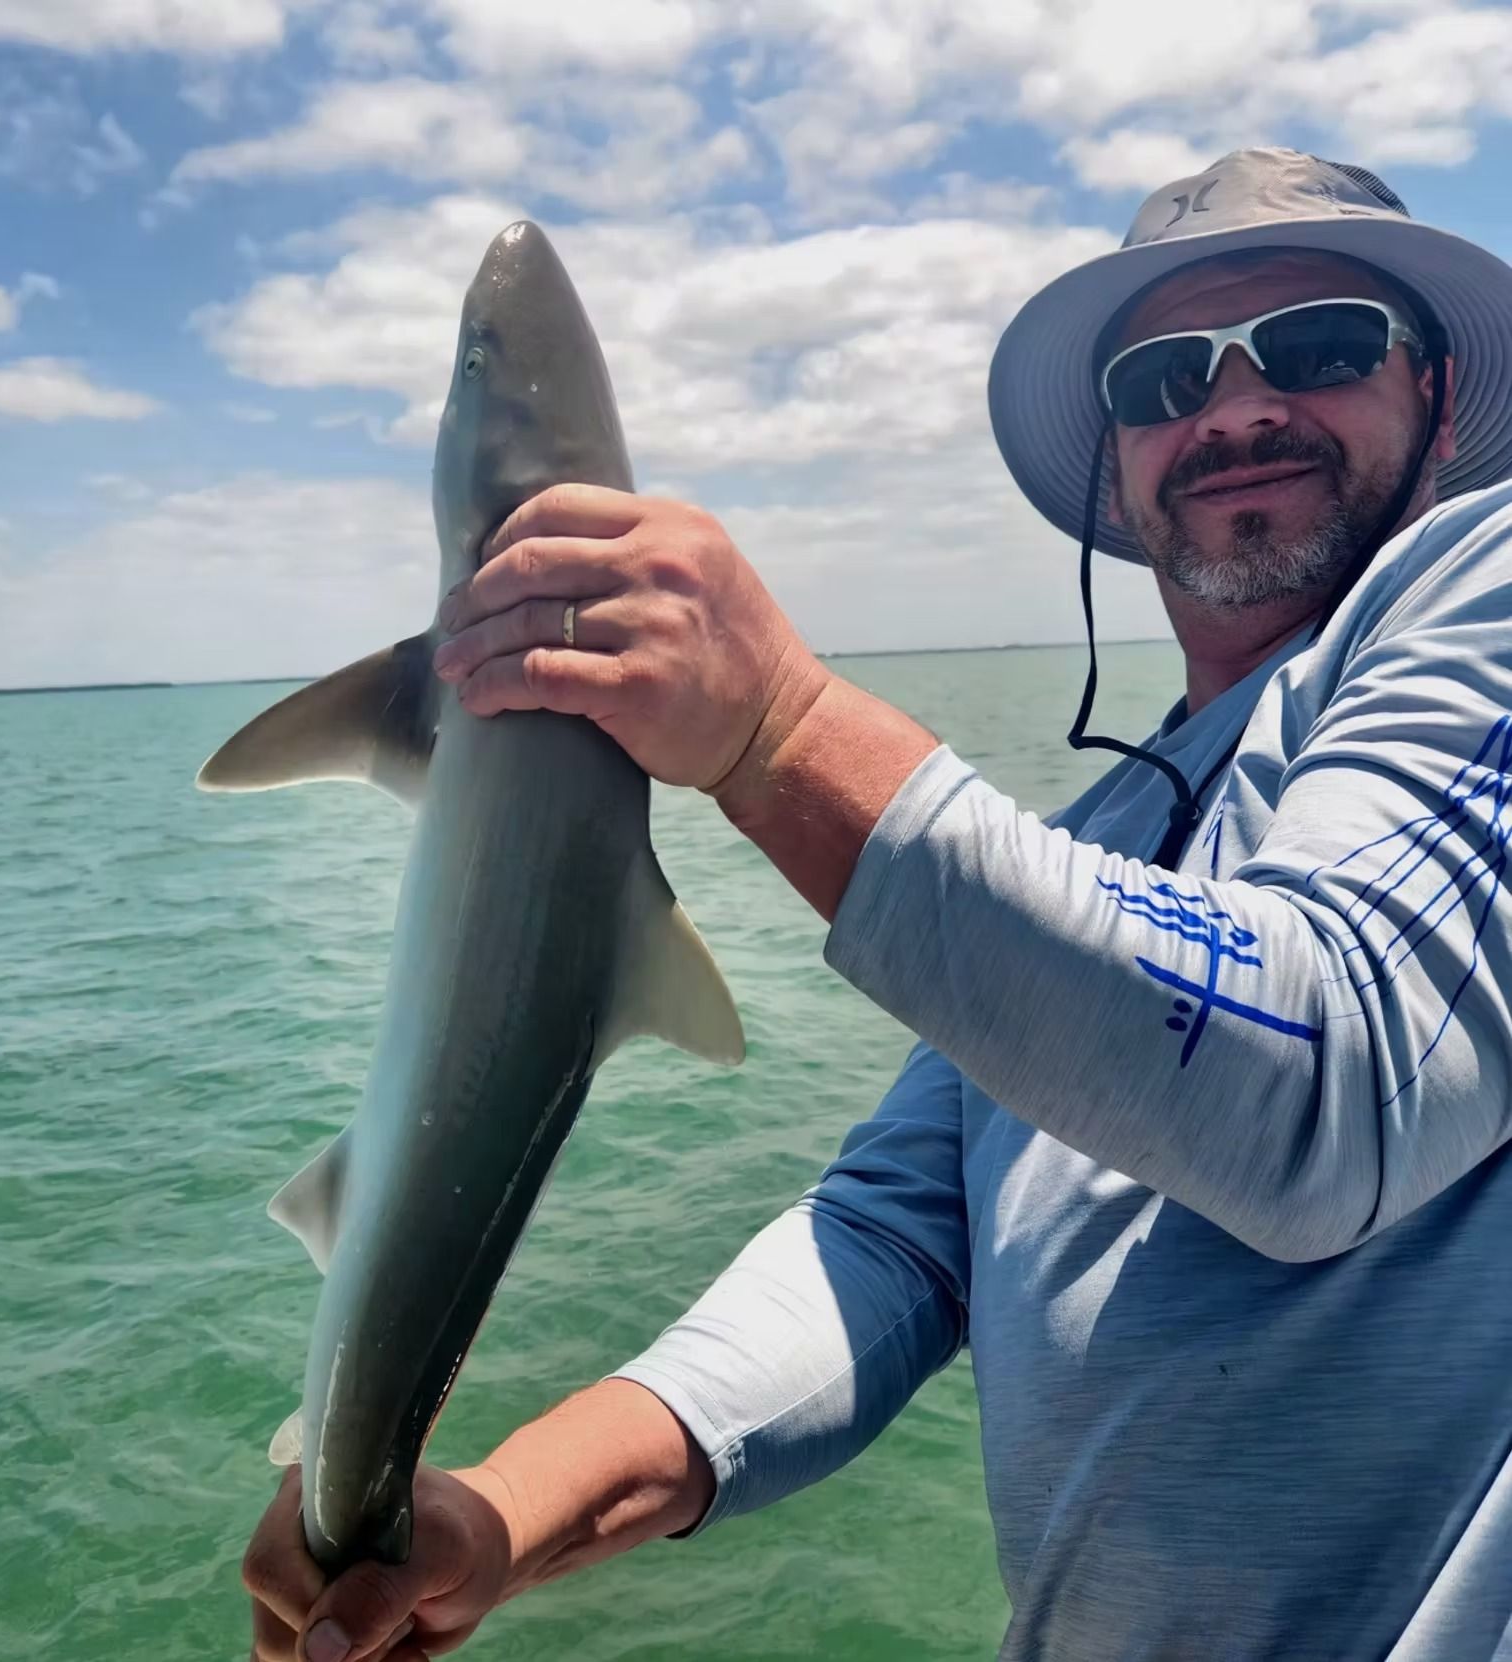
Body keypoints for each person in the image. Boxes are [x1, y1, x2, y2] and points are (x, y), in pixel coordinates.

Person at [244, 149, 1512, 1662]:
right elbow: (893, 1241)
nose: (1232, 409)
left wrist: (776, 731)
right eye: (1167, 376)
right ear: (1116, 458)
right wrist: (504, 1515)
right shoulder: (1103, 839)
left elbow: (1333, 1065)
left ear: (1435, 398)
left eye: (1317, 348)